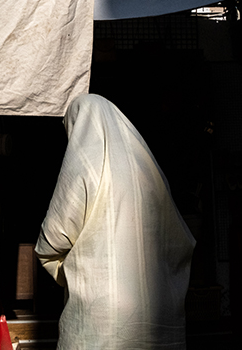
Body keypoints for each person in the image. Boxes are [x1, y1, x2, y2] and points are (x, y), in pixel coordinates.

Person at [35, 94, 196, 349]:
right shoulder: (150, 170)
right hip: (157, 312)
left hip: (103, 314)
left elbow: (54, 238)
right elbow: (180, 240)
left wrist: (67, 265)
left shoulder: (85, 162)